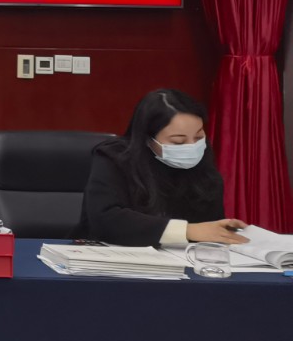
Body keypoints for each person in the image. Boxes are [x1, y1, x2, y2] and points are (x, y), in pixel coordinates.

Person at [76, 88, 248, 247]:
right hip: (108, 256)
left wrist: (222, 230)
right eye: (178, 141)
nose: (192, 147)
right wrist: (187, 230)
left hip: (182, 261)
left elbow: (208, 229)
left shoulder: (203, 165)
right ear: (147, 139)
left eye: (198, 137)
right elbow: (106, 219)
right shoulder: (115, 158)